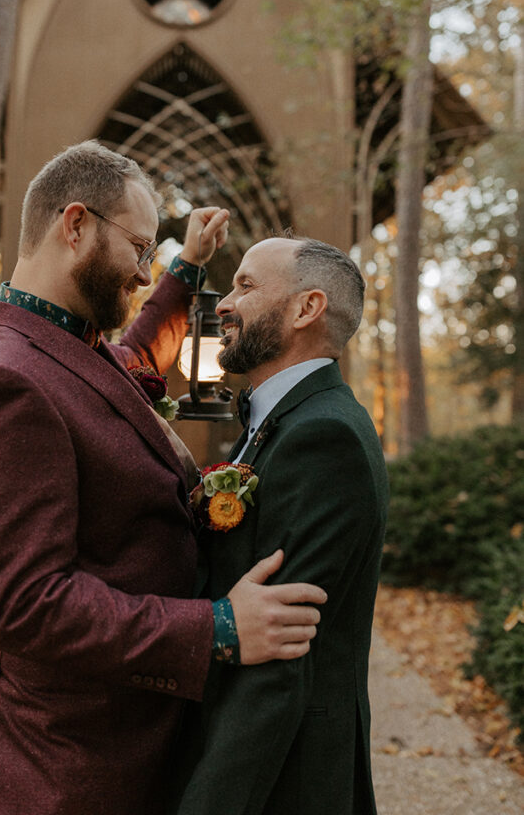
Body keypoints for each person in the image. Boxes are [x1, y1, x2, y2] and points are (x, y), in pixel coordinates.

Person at [0, 143, 326, 815]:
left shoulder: (68, 344)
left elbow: (134, 355)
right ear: (75, 224)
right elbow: (25, 604)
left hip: (118, 745)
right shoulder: (3, 383)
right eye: (140, 250)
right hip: (57, 772)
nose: (145, 273)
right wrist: (218, 630)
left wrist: (188, 267)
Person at [174, 236, 389, 815]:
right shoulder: (282, 421)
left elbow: (277, 654)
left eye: (246, 286)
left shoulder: (324, 437)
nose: (223, 302)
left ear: (305, 309)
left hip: (285, 777)